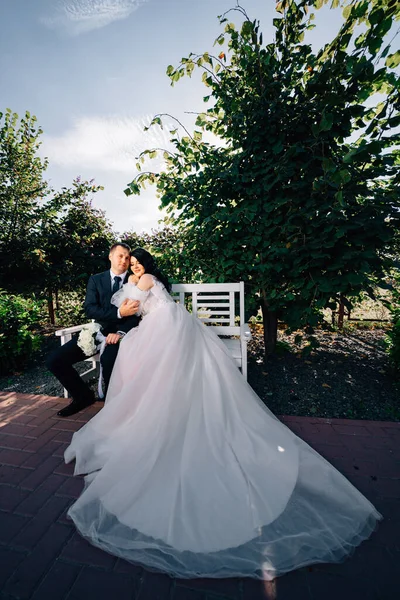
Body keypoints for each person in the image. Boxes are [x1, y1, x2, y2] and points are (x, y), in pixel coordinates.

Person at [64, 248, 381, 580]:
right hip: (170, 325)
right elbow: (130, 309)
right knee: (136, 351)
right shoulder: (142, 277)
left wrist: (125, 294)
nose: (135, 265)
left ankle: (155, 408)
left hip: (164, 327)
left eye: (138, 260)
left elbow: (127, 307)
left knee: (133, 351)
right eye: (132, 261)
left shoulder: (142, 279)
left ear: (146, 264)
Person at [46, 243, 140, 417]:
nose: (124, 260)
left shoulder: (135, 280)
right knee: (54, 360)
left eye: (127, 257)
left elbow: (137, 315)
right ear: (110, 256)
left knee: (109, 359)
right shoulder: (96, 280)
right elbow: (90, 309)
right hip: (96, 331)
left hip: (121, 334)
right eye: (120, 256)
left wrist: (120, 332)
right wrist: (119, 312)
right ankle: (83, 396)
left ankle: (114, 408)